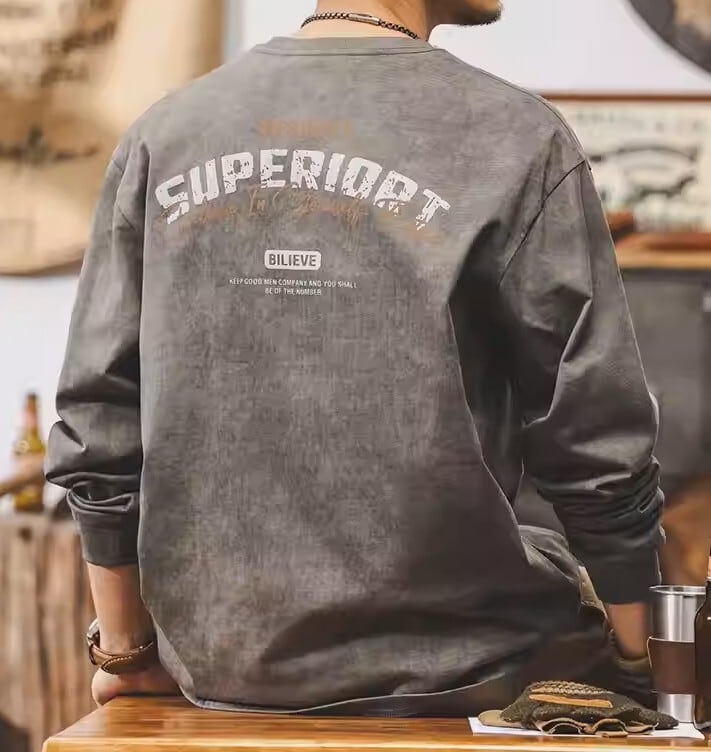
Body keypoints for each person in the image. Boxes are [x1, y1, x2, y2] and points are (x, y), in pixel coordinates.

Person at [46, 0, 663, 714]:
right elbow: (594, 440)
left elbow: (98, 422)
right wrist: (640, 663)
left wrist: (126, 653)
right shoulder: (516, 137)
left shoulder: (165, 134)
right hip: (466, 667)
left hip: (226, 672)